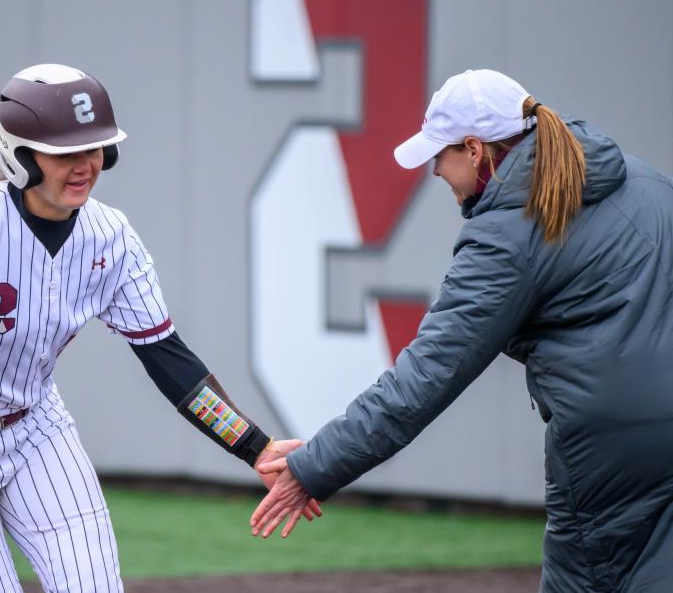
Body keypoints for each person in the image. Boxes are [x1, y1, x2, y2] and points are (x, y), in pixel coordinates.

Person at [0, 63, 319, 593]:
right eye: (64, 152)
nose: (84, 165)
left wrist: (254, 446)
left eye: (94, 148)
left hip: (34, 431)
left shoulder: (109, 236)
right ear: (20, 155)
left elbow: (168, 357)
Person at [250, 69, 673, 591]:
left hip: (610, 459)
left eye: (439, 155)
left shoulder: (506, 235)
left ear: (475, 150)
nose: (433, 171)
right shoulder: (644, 178)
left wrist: (316, 466)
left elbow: (426, 376)